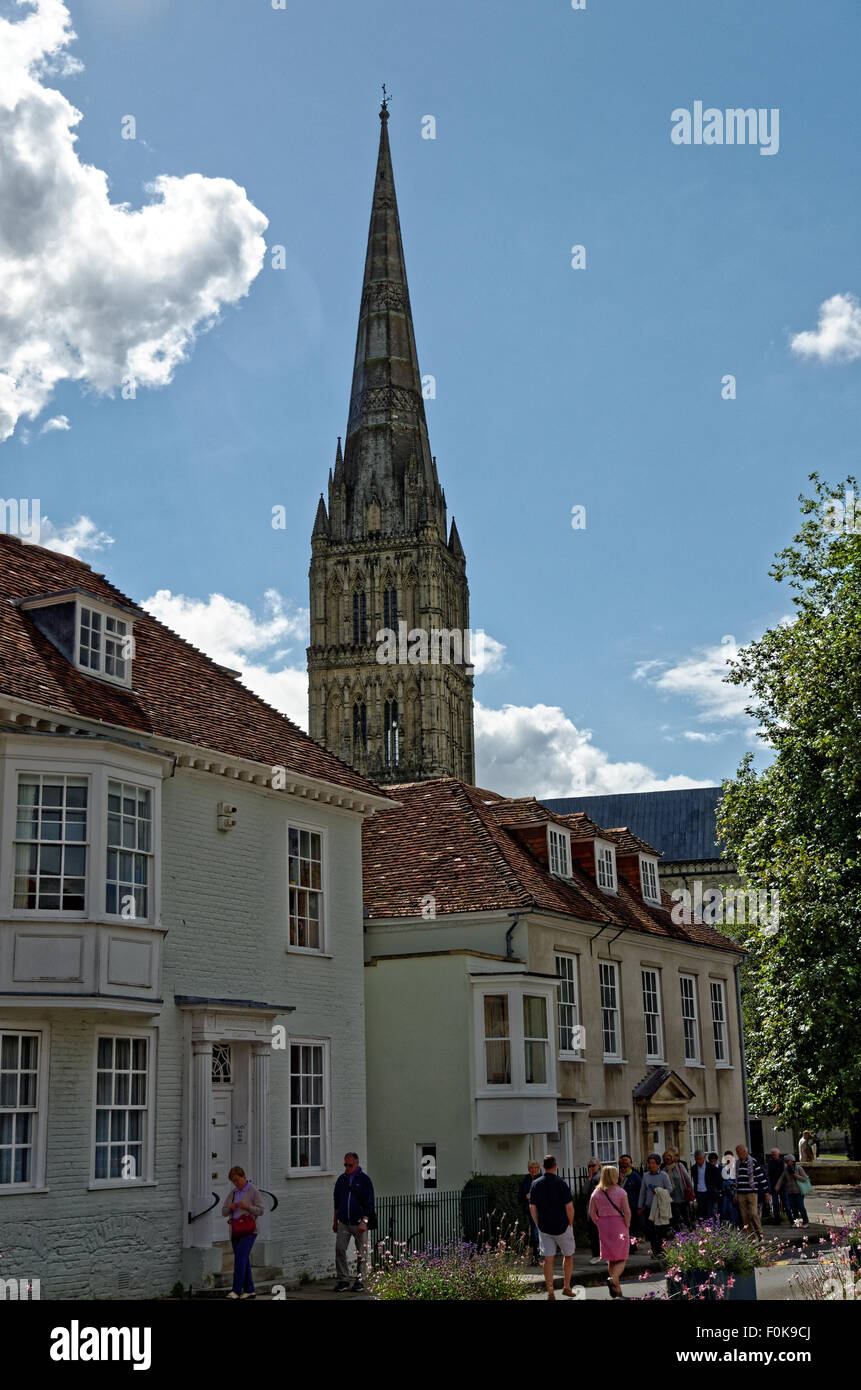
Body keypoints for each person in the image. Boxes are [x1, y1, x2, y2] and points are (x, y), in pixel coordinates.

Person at [529, 1154, 577, 1301]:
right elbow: (569, 1208)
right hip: (562, 1225)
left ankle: (550, 1291)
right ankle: (567, 1287)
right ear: (555, 1166)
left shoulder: (536, 1184)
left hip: (544, 1226)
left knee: (547, 1259)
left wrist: (538, 1224)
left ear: (543, 1167)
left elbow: (532, 1207)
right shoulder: (561, 1183)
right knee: (568, 1255)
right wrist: (570, 1223)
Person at [333, 1151, 375, 1292]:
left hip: (359, 1223)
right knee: (340, 1248)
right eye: (345, 1164)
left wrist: (364, 1221)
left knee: (361, 1252)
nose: (347, 1167)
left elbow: (369, 1203)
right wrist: (335, 1221)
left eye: (350, 1165)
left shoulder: (364, 1180)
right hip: (344, 1221)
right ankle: (343, 1279)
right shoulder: (341, 1180)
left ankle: (360, 1280)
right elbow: (337, 1202)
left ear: (356, 1164)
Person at [221, 1165, 265, 1300]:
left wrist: (248, 1207)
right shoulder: (233, 1193)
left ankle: (236, 1290)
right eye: (233, 1181)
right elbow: (223, 1211)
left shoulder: (253, 1191)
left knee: (240, 1259)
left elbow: (261, 1210)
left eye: (237, 1180)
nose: (236, 1183)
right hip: (235, 1231)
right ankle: (250, 1290)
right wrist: (231, 1207)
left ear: (243, 1177)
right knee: (243, 1260)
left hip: (249, 1230)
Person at [589, 1164, 632, 1298]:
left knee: (611, 1258)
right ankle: (613, 1279)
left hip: (604, 1225)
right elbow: (627, 1212)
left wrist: (598, 1222)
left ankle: (617, 1289)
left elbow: (591, 1212)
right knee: (622, 1256)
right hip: (619, 1225)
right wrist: (627, 1224)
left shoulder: (596, 1192)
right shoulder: (620, 1192)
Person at [638, 1154, 673, 1255]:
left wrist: (658, 1190)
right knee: (650, 1231)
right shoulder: (646, 1176)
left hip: (660, 1207)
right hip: (649, 1207)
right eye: (649, 1163)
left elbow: (669, 1189)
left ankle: (662, 1250)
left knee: (661, 1230)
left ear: (658, 1164)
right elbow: (642, 1191)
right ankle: (655, 1250)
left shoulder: (663, 1175)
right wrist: (640, 1206)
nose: (651, 1165)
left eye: (653, 1163)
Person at [734, 1143, 770, 1240]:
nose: (737, 1154)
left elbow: (761, 1178)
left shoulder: (753, 1162)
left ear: (744, 1152)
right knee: (744, 1217)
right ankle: (751, 1237)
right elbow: (736, 1179)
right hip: (741, 1192)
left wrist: (767, 1192)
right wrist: (735, 1194)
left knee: (753, 1214)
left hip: (752, 1192)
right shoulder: (737, 1163)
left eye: (738, 1152)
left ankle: (760, 1234)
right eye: (737, 1152)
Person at [774, 1155, 811, 1226]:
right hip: (790, 1192)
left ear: (792, 1161)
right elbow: (781, 1179)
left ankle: (806, 1222)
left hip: (799, 1192)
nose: (787, 1163)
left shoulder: (798, 1168)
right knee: (793, 1208)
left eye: (788, 1161)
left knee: (801, 1207)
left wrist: (795, 1175)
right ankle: (796, 1223)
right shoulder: (786, 1169)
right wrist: (777, 1187)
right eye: (786, 1161)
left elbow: (805, 1178)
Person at [662, 1150, 693, 1231]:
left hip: (682, 1196)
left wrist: (692, 1191)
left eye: (668, 1158)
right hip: (671, 1198)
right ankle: (678, 1233)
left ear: (672, 1158)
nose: (667, 1160)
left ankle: (688, 1230)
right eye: (665, 1159)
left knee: (685, 1215)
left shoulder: (679, 1166)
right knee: (674, 1218)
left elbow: (687, 1179)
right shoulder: (664, 1170)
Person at [518, 1160, 542, 1264]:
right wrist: (525, 1196)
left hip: (541, 1211)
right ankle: (536, 1256)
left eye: (536, 1167)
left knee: (539, 1233)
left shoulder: (542, 1179)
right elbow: (519, 1197)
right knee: (534, 1233)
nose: (534, 1170)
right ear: (529, 1169)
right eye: (531, 1168)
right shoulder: (526, 1180)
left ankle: (539, 1255)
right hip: (529, 1211)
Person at [692, 1149, 722, 1221]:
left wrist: (716, 1190)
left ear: (704, 1157)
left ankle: (712, 1229)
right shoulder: (694, 1168)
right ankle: (703, 1229)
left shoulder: (711, 1167)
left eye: (700, 1159)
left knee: (710, 1213)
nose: (698, 1161)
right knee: (701, 1214)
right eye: (696, 1159)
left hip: (709, 1193)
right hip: (699, 1193)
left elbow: (719, 1180)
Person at [618, 1154, 642, 1242]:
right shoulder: (617, 1176)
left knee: (633, 1228)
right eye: (622, 1164)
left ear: (630, 1164)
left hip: (633, 1206)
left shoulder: (635, 1176)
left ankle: (632, 1246)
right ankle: (624, 1245)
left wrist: (640, 1206)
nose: (623, 1166)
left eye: (626, 1163)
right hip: (620, 1208)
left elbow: (641, 1191)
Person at [584, 1158, 602, 1264]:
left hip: (600, 1209)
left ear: (598, 1166)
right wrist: (589, 1178)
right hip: (591, 1209)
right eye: (589, 1166)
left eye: (593, 1165)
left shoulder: (601, 1176)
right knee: (593, 1233)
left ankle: (603, 1254)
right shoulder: (590, 1178)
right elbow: (585, 1191)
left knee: (602, 1233)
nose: (591, 1168)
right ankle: (596, 1254)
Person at [766, 1147, 791, 1225]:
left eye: (775, 1154)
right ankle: (777, 1220)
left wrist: (780, 1184)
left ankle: (791, 1219)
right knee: (775, 1204)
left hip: (782, 1186)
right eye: (772, 1155)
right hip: (773, 1187)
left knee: (786, 1204)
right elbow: (769, 1175)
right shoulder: (770, 1163)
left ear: (778, 1155)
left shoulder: (782, 1162)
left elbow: (784, 1175)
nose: (773, 1156)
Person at [720, 1150, 740, 1226]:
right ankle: (726, 1225)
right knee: (724, 1209)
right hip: (725, 1192)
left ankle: (734, 1224)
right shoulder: (723, 1168)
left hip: (733, 1191)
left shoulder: (736, 1168)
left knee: (733, 1209)